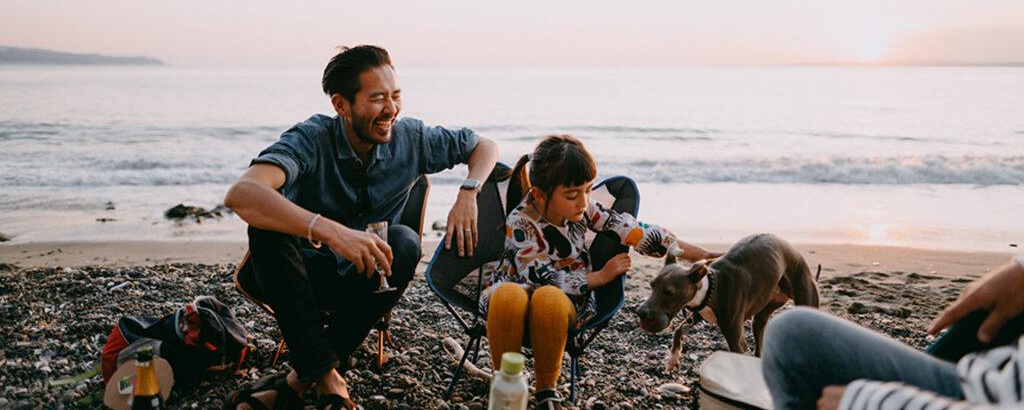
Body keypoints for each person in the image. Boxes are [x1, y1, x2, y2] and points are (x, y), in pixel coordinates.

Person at [223, 45, 498, 410]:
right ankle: (325, 378)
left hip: (367, 281)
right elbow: (242, 193)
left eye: (396, 96)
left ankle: (302, 379)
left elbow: (484, 146)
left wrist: (469, 190)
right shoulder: (310, 139)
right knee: (266, 228)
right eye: (378, 98)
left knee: (403, 241)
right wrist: (331, 232)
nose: (391, 109)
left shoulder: (412, 139)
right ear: (341, 105)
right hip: (296, 281)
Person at [479, 135, 718, 410]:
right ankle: (506, 383)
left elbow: (634, 229)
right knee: (510, 294)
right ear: (539, 195)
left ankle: (547, 390)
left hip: (562, 304)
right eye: (572, 195)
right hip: (514, 295)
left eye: (588, 190)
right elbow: (539, 276)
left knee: (548, 298)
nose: (583, 201)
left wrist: (700, 254)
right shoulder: (521, 222)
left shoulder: (585, 210)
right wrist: (599, 277)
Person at [761, 256, 1024, 410]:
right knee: (795, 335)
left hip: (993, 396)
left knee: (793, 334)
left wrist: (865, 401)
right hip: (994, 378)